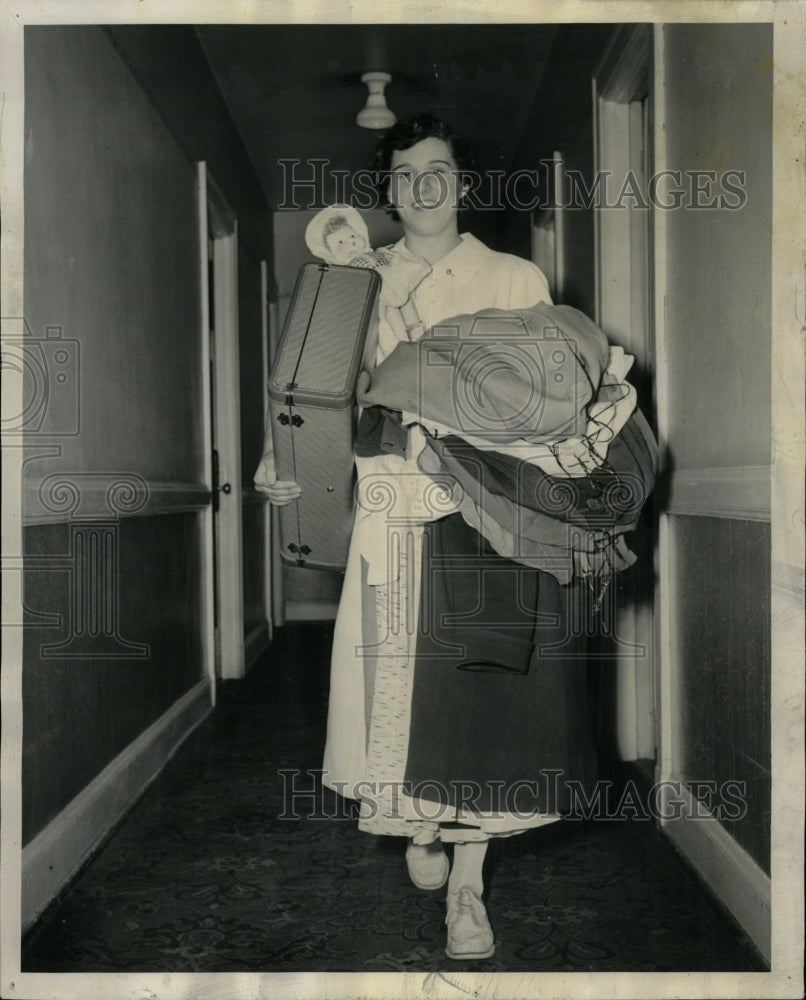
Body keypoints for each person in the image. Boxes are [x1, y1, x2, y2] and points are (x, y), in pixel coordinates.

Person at [255, 113, 600, 961]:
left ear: (463, 183)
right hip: (390, 508)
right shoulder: (359, 280)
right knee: (395, 687)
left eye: (438, 170)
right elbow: (319, 386)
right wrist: (282, 455)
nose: (424, 187)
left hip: (484, 512)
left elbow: (557, 400)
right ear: (391, 190)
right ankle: (421, 827)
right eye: (405, 174)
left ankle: (470, 890)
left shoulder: (516, 277)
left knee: (478, 693)